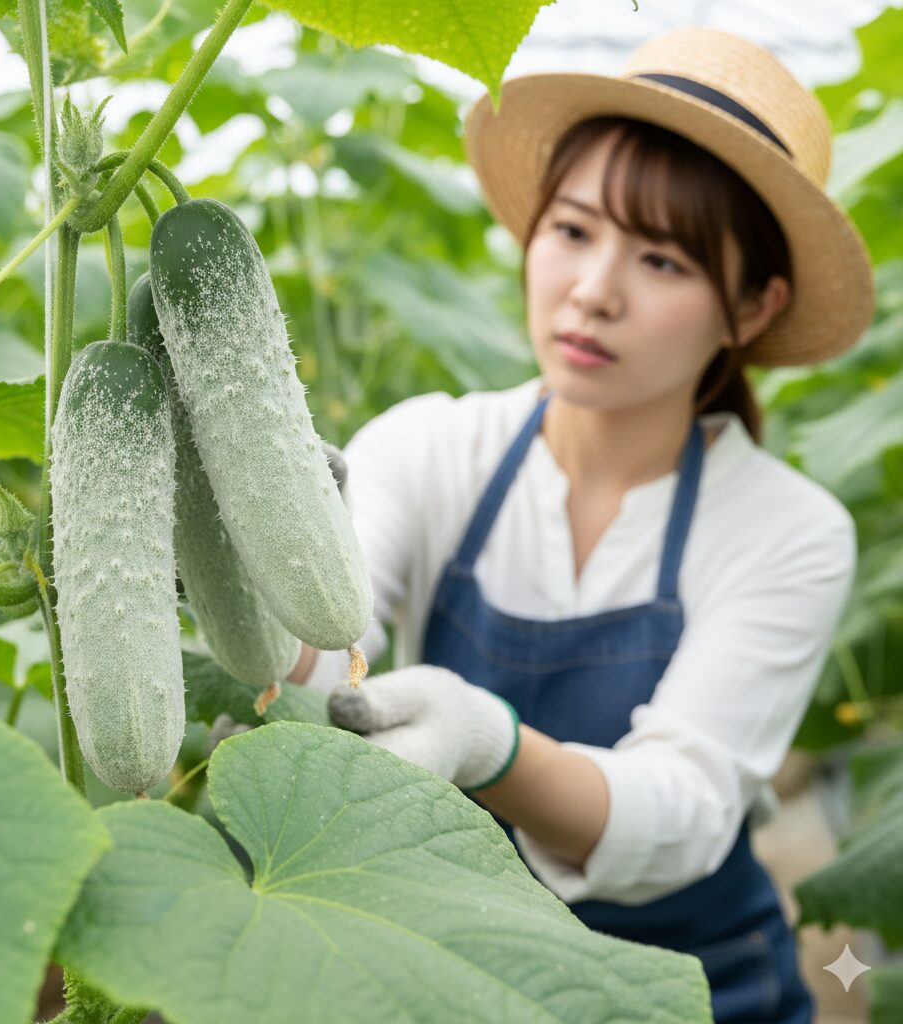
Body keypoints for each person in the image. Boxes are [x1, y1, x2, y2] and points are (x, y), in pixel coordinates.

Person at [282, 25, 874, 1024]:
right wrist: (253, 586)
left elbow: (682, 812)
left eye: (660, 259)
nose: (592, 291)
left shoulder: (787, 528)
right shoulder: (428, 449)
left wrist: (489, 745)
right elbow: (326, 643)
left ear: (750, 306)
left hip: (703, 989)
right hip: (451, 972)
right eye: (571, 231)